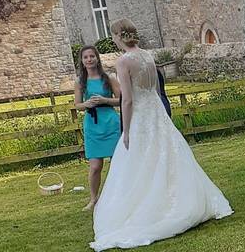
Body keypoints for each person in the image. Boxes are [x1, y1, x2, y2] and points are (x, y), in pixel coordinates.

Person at [90, 19, 232, 251]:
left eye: (113, 35)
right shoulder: (147, 56)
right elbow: (154, 89)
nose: (113, 39)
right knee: (167, 154)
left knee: (139, 159)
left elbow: (127, 100)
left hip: (140, 116)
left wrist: (126, 130)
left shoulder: (124, 61)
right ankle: (179, 200)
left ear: (118, 36)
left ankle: (153, 209)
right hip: (156, 112)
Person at [74, 46, 121, 211]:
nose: (89, 60)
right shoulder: (80, 82)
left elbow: (122, 99)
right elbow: (77, 105)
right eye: (85, 57)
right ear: (82, 60)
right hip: (93, 124)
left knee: (118, 163)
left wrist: (104, 100)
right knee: (95, 166)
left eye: (92, 56)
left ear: (97, 58)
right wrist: (85, 104)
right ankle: (94, 199)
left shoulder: (108, 78)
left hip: (110, 123)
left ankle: (120, 196)